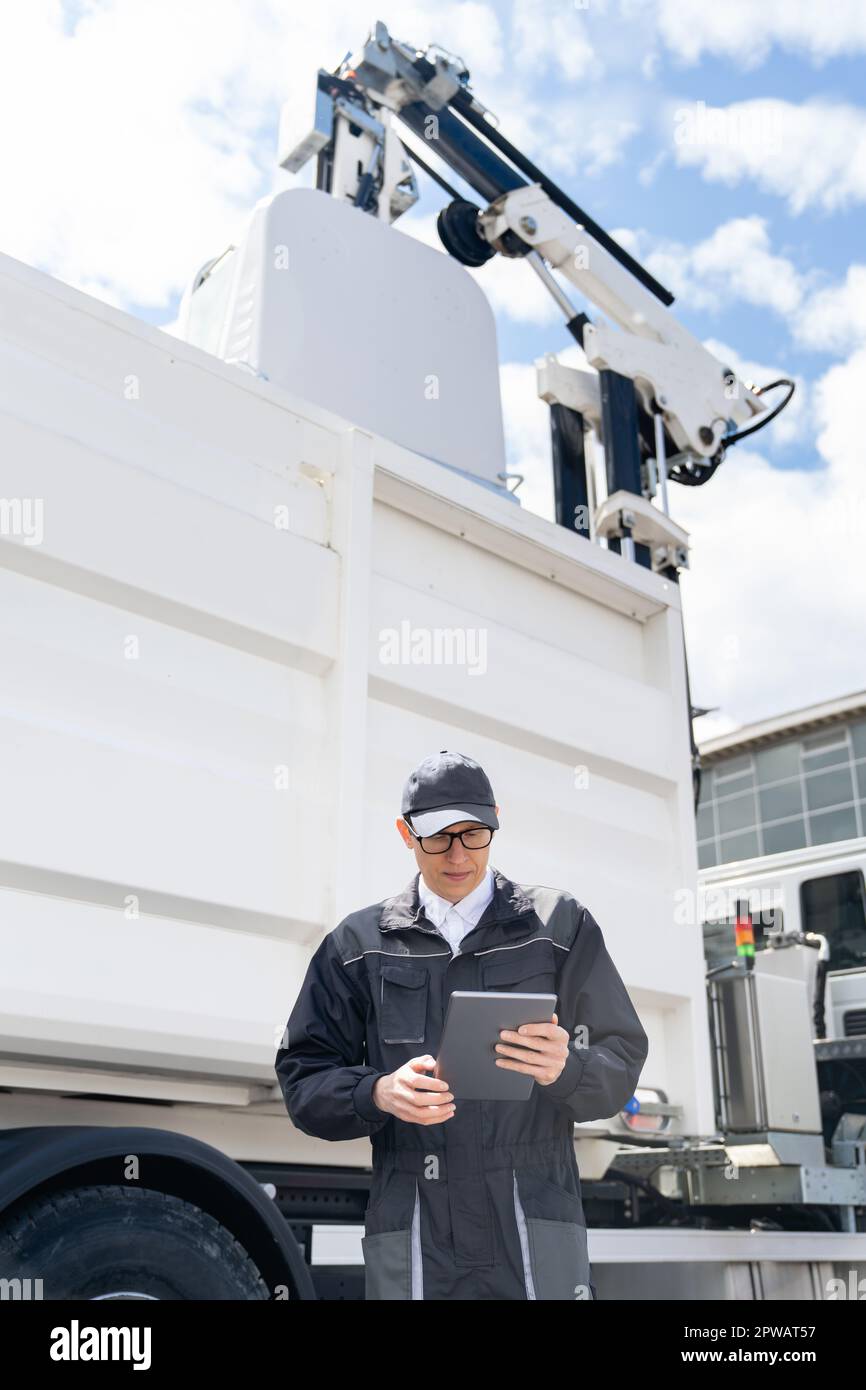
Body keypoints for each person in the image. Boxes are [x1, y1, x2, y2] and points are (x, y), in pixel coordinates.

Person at [274, 749, 649, 1300]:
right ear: (406, 834)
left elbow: (621, 1059)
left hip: (529, 1211)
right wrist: (376, 1092)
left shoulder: (557, 926)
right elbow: (303, 1079)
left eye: (473, 834)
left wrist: (566, 1068)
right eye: (437, 837)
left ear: (495, 821)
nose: (457, 855)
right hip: (416, 1218)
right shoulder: (358, 946)